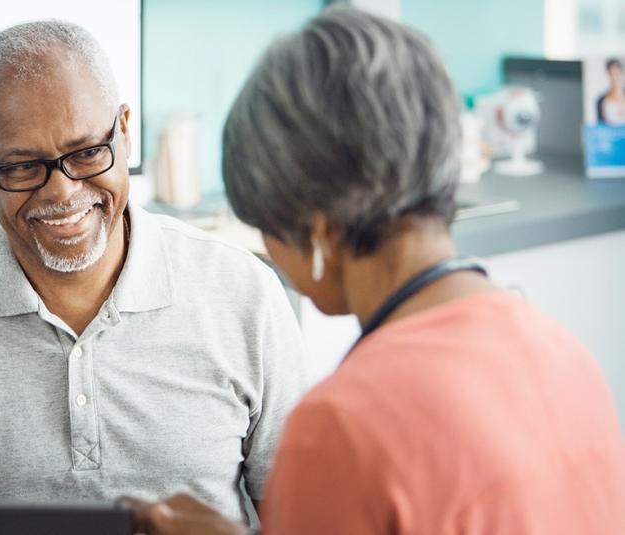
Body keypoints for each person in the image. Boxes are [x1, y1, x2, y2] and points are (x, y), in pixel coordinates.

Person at [129, 7, 625, 534]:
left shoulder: (341, 430)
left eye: (264, 228)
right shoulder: (565, 355)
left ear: (317, 230)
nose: (271, 254)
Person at [0, 20, 312, 535]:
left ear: (123, 130)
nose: (61, 192)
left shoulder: (244, 295)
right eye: (22, 167)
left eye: (86, 153)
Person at [597, 58, 625, 125]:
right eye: (611, 73)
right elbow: (600, 126)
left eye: (617, 73)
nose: (615, 77)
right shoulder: (601, 101)